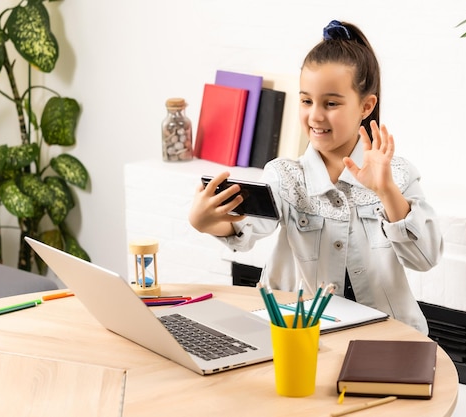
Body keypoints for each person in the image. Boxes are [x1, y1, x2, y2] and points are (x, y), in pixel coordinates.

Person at [188, 20, 443, 334]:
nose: (315, 116)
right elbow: (246, 228)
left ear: (367, 105)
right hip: (305, 338)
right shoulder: (284, 176)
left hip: (387, 337)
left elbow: (425, 258)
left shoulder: (398, 173)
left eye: (331, 103)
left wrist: (387, 190)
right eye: (306, 101)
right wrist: (205, 221)